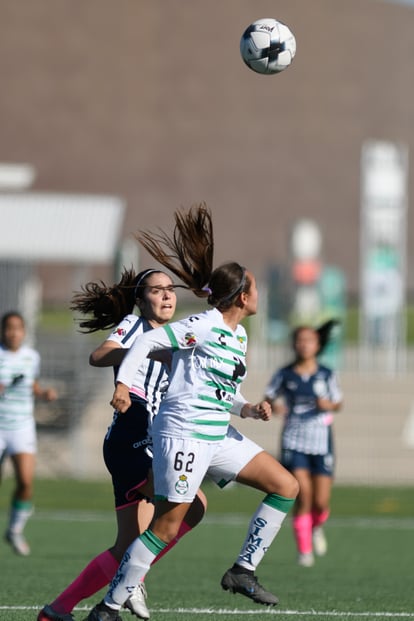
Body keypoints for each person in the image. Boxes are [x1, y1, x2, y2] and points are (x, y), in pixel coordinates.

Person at [85, 203, 299, 621]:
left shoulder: (237, 337)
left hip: (216, 432)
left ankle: (243, 570)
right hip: (183, 434)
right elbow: (147, 343)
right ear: (242, 296)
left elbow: (220, 391)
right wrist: (125, 385)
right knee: (164, 528)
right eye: (253, 288)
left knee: (286, 486)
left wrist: (248, 408)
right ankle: (109, 609)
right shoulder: (204, 324)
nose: (258, 294)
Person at [37, 268, 207, 621]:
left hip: (147, 436)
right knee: (190, 502)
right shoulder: (135, 327)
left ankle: (57, 610)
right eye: (156, 291)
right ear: (140, 300)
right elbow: (99, 356)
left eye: (169, 290)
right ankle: (132, 579)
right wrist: (142, 351)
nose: (166, 296)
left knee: (126, 546)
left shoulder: (179, 335)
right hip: (133, 432)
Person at [264, 321, 343, 567]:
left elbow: (338, 402)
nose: (304, 345)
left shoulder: (326, 374)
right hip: (294, 439)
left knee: (321, 501)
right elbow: (268, 398)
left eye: (309, 340)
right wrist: (273, 406)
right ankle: (304, 550)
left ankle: (316, 527)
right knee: (304, 494)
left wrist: (327, 405)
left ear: (317, 345)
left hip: (321, 440)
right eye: (300, 340)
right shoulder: (285, 374)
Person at [0, 311, 57, 556]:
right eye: (9, 328)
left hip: (22, 425)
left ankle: (14, 530)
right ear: (3, 331)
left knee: (25, 482)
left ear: (24, 331)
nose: (14, 333)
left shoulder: (31, 356)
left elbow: (32, 384)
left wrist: (43, 393)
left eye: (18, 328)